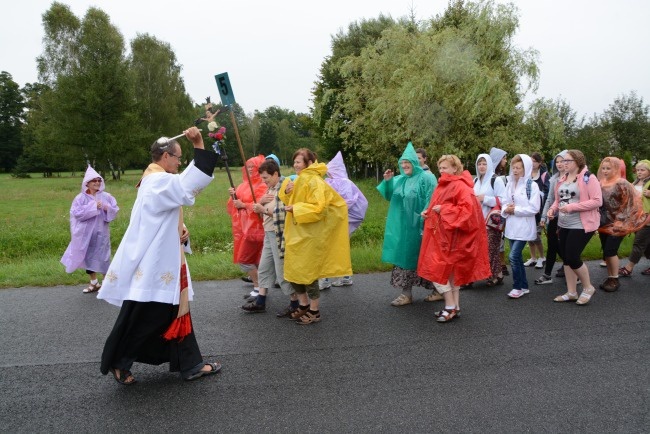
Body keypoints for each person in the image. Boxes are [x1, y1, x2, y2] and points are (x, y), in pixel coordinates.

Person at [98, 127, 221, 385]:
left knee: (170, 312)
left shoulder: (154, 179)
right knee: (148, 316)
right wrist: (199, 144)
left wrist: (181, 231)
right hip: (156, 263)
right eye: (177, 157)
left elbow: (167, 211)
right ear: (165, 157)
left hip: (160, 259)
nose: (179, 162)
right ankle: (119, 361)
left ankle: (190, 364)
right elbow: (187, 186)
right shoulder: (157, 180)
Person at [279, 148, 352, 325]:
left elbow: (320, 208)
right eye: (294, 161)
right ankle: (303, 305)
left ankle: (314, 309)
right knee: (294, 273)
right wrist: (289, 192)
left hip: (310, 236)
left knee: (308, 275)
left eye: (298, 162)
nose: (295, 165)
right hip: (296, 234)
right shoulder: (298, 180)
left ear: (309, 163)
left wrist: (296, 208)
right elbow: (288, 201)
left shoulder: (315, 182)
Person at [418, 155, 490, 322]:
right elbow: (437, 207)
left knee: (438, 271)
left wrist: (443, 209)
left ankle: (449, 306)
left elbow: (468, 212)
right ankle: (455, 307)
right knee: (450, 273)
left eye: (445, 168)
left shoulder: (459, 186)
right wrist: (428, 212)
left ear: (455, 169)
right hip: (443, 237)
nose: (441, 170)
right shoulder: (444, 185)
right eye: (440, 167)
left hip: (452, 239)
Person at [377, 142, 439, 306]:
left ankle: (439, 290)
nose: (404, 165)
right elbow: (389, 195)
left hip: (420, 227)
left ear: (415, 162)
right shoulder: (400, 179)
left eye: (407, 162)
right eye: (402, 162)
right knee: (404, 258)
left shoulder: (427, 177)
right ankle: (406, 294)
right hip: (403, 229)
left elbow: (432, 199)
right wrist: (388, 181)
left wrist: (424, 220)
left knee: (426, 259)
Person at [242, 159, 299, 314]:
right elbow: (262, 208)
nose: (264, 181)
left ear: (275, 174)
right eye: (262, 178)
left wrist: (263, 209)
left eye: (266, 177)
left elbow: (284, 212)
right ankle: (261, 301)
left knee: (281, 270)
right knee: (264, 267)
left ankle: (295, 304)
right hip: (268, 232)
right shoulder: (271, 188)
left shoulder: (285, 187)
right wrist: (260, 204)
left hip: (278, 234)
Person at [547, 150, 602, 305]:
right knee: (566, 258)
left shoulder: (588, 178)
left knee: (572, 256)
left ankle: (588, 287)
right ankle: (571, 292)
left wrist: (573, 207)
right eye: (562, 161)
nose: (563, 163)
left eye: (567, 161)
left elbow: (597, 201)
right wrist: (552, 210)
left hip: (582, 224)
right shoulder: (561, 179)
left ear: (577, 161)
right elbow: (558, 201)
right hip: (563, 223)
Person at [61, 165, 119, 293]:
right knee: (87, 256)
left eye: (99, 180)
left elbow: (114, 210)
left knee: (104, 256)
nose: (97, 182)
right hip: (85, 233)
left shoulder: (106, 196)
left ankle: (106, 283)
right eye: (94, 180)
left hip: (101, 232)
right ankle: (94, 283)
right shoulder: (80, 198)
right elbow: (77, 214)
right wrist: (93, 206)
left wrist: (105, 207)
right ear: (87, 183)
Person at [596, 157, 648, 291]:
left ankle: (614, 279)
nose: (605, 171)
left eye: (609, 168)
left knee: (610, 251)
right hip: (603, 224)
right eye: (604, 168)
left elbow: (631, 204)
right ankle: (610, 276)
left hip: (619, 224)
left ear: (616, 169)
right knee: (606, 253)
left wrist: (620, 220)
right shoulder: (601, 182)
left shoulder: (622, 183)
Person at [318, 151, 369, 289]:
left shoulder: (344, 183)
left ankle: (334, 278)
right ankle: (341, 277)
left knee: (334, 247)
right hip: (342, 218)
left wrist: (332, 209)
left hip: (345, 219)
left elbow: (346, 202)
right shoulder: (335, 182)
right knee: (338, 247)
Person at [227, 155, 268, 301]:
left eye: (253, 166)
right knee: (253, 259)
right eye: (248, 166)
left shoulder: (262, 185)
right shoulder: (244, 184)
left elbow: (261, 207)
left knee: (245, 259)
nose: (250, 169)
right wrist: (233, 196)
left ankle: (259, 288)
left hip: (255, 229)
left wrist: (243, 205)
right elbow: (234, 206)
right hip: (243, 228)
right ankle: (259, 289)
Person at [501, 154, 540, 299]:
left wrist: (515, 210)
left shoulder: (532, 185)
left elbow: (534, 208)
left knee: (513, 256)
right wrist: (506, 208)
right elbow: (504, 201)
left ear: (526, 169)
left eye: (519, 168)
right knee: (516, 259)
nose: (515, 170)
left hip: (524, 227)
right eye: (514, 167)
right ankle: (524, 286)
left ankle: (517, 287)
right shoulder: (510, 183)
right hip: (512, 227)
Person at [534, 151, 568, 285]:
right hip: (553, 217)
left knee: (564, 247)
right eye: (557, 162)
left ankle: (573, 269)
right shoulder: (553, 178)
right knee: (553, 245)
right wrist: (544, 216)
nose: (559, 164)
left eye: (562, 161)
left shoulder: (573, 178)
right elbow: (549, 199)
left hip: (567, 218)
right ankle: (548, 274)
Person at [473, 153, 507, 286]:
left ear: (490, 165)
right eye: (479, 164)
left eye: (484, 164)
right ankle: (497, 274)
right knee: (479, 249)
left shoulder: (496, 180)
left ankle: (492, 275)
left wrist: (485, 199)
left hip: (491, 221)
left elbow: (504, 199)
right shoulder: (475, 181)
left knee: (490, 248)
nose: (482, 167)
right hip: (477, 220)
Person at [619, 160, 650, 277]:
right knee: (646, 244)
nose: (639, 172)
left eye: (643, 170)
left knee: (639, 243)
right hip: (636, 218)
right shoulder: (635, 182)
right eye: (638, 170)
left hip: (647, 219)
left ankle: (628, 268)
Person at [523, 152, 550, 269]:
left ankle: (542, 257)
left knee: (536, 235)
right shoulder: (526, 174)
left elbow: (547, 193)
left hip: (539, 210)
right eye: (531, 161)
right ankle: (533, 257)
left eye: (535, 161)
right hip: (527, 209)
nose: (532, 163)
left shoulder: (544, 175)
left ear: (539, 163)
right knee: (529, 235)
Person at [489, 146, 509, 276]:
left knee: (499, 239)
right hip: (494, 214)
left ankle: (501, 265)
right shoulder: (496, 178)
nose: (506, 161)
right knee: (497, 240)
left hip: (500, 212)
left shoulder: (499, 176)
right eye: (504, 158)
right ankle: (500, 266)